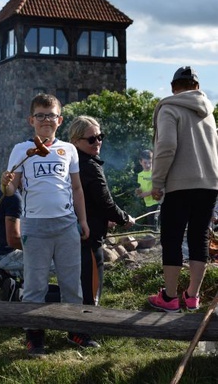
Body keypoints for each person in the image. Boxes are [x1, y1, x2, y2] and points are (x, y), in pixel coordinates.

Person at [1, 93, 99, 357]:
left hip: (66, 224)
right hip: (35, 226)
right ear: (31, 120)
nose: (46, 120)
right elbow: (12, 189)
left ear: (60, 119)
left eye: (51, 115)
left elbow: (76, 188)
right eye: (41, 115)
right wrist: (6, 183)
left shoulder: (67, 150)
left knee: (71, 282)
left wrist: (83, 220)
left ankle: (75, 330)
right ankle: (35, 335)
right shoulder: (22, 150)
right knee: (35, 284)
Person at [148, 66, 218, 313]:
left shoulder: (170, 107)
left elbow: (166, 146)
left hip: (180, 184)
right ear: (197, 87)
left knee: (172, 238)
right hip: (210, 184)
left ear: (173, 87)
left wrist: (157, 183)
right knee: (199, 237)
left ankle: (169, 298)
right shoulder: (208, 112)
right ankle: (192, 296)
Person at [68, 115, 135, 306]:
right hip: (88, 238)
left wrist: (107, 218)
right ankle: (88, 326)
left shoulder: (75, 162)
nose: (97, 142)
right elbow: (106, 202)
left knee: (81, 284)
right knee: (91, 288)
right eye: (91, 139)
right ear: (75, 141)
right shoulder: (89, 166)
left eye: (100, 136)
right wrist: (124, 219)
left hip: (77, 233)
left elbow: (91, 202)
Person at [0, 189, 59, 302]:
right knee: (59, 262)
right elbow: (14, 240)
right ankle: (19, 294)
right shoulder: (14, 198)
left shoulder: (9, 193)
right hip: (7, 255)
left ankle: (19, 286)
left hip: (1, 252)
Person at [135, 149, 160, 231]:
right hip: (148, 203)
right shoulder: (140, 175)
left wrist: (147, 193)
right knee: (150, 222)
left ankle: (158, 238)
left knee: (155, 219)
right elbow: (141, 187)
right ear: (140, 162)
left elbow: (158, 186)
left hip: (157, 201)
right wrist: (138, 191)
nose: (148, 165)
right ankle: (153, 239)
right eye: (145, 163)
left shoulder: (155, 172)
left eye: (150, 162)